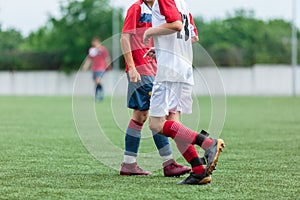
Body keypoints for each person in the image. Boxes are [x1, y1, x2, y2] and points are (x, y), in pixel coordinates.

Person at [143, 0, 225, 185]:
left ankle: (208, 143)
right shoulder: (182, 4)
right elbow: (192, 37)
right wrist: (161, 47)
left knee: (156, 124)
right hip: (183, 68)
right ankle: (198, 170)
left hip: (169, 71)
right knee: (174, 125)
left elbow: (176, 25)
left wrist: (150, 32)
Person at [119, 0, 190, 177]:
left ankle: (129, 164)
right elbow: (124, 37)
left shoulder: (160, 8)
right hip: (142, 70)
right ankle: (168, 163)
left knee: (141, 115)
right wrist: (132, 67)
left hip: (157, 69)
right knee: (157, 114)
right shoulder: (136, 8)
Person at [83, 37, 111, 102]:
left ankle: (101, 92)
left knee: (98, 81)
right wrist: (85, 66)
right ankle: (97, 95)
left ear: (99, 42)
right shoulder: (92, 50)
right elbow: (89, 59)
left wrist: (108, 65)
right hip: (94, 68)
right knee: (96, 82)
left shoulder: (103, 49)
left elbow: (107, 58)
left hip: (101, 68)